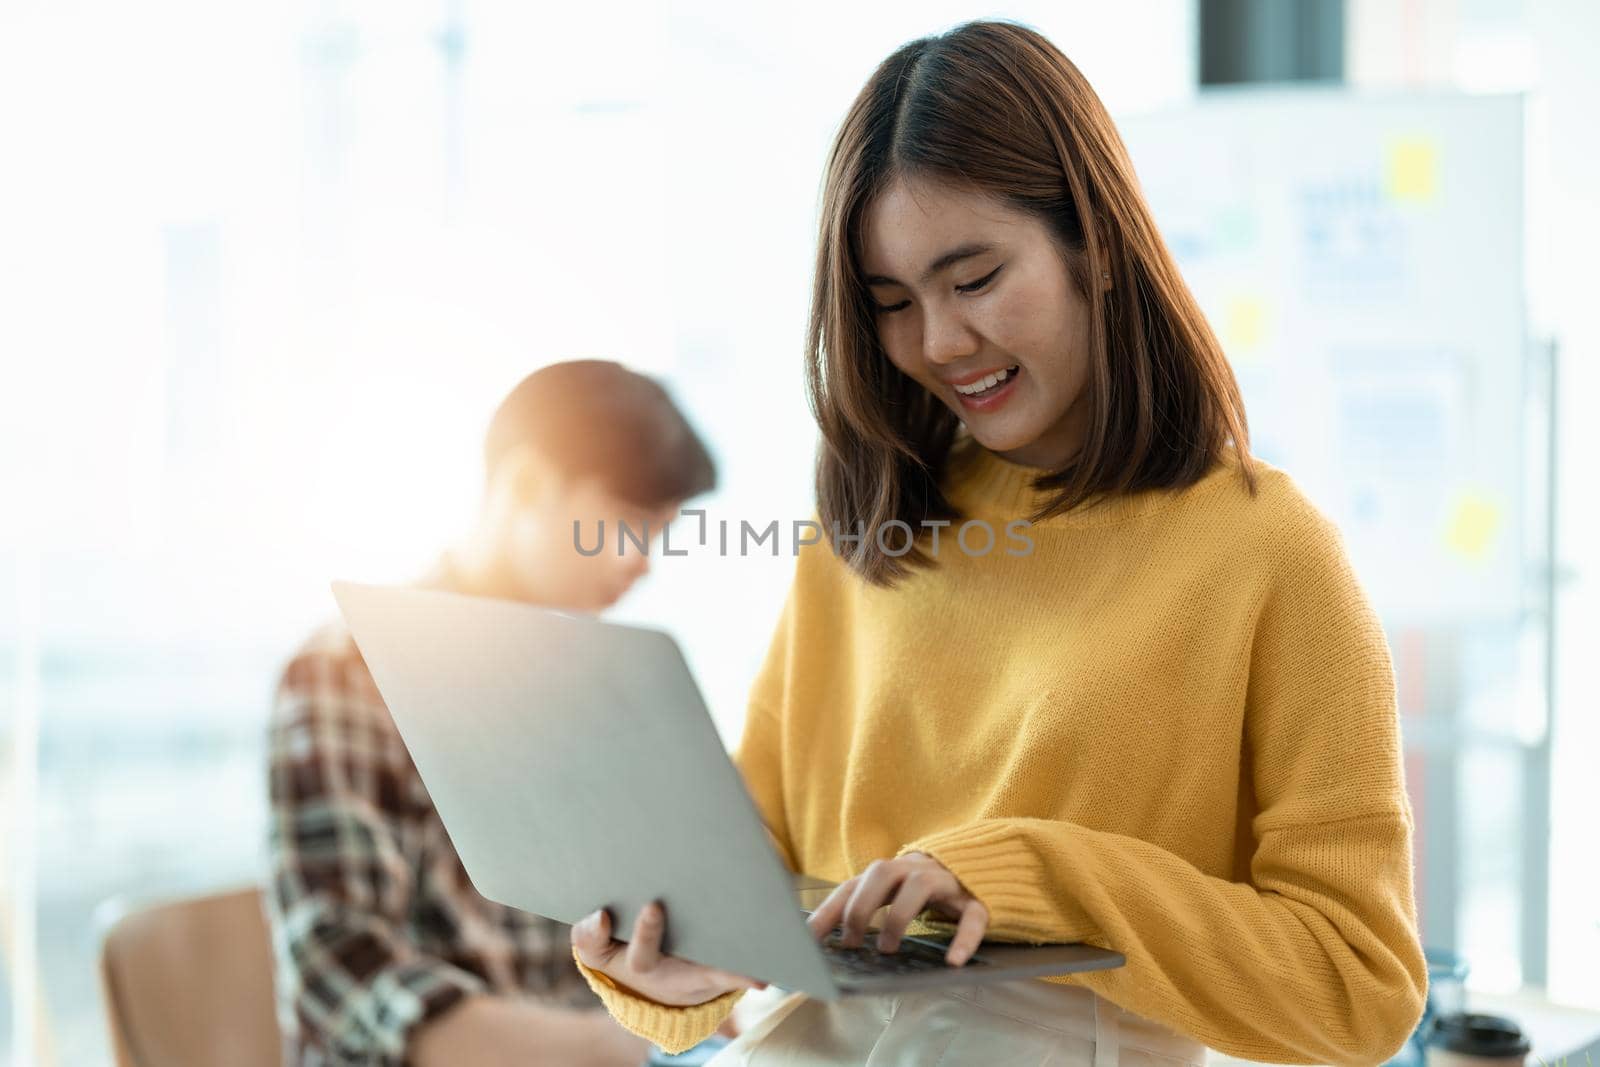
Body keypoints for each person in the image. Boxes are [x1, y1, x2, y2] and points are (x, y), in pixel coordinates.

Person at [569, 20, 1429, 1067]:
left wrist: (1027, 876)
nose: (936, 343)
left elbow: (1358, 985)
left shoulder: (1266, 552)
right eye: (891, 302)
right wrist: (672, 959)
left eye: (973, 278)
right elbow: (761, 864)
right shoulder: (866, 534)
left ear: (1096, 246)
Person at [264, 360, 729, 1067]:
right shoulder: (348, 669)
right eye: (630, 525)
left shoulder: (595, 690)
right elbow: (342, 971)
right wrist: (607, 1049)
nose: (643, 565)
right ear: (526, 487)